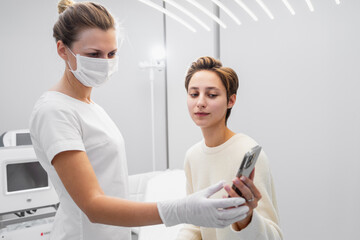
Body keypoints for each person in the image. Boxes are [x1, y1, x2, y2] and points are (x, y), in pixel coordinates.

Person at [28, 1, 250, 240]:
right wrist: (183, 209)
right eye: (93, 54)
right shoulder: (54, 111)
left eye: (111, 53)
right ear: (63, 50)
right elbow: (93, 205)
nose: (104, 61)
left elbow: (106, 177)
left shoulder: (91, 108)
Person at [176, 57, 283, 239]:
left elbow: (274, 235)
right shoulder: (192, 156)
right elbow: (194, 223)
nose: (200, 102)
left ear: (231, 101)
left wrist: (246, 218)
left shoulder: (247, 152)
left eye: (211, 95)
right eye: (194, 94)